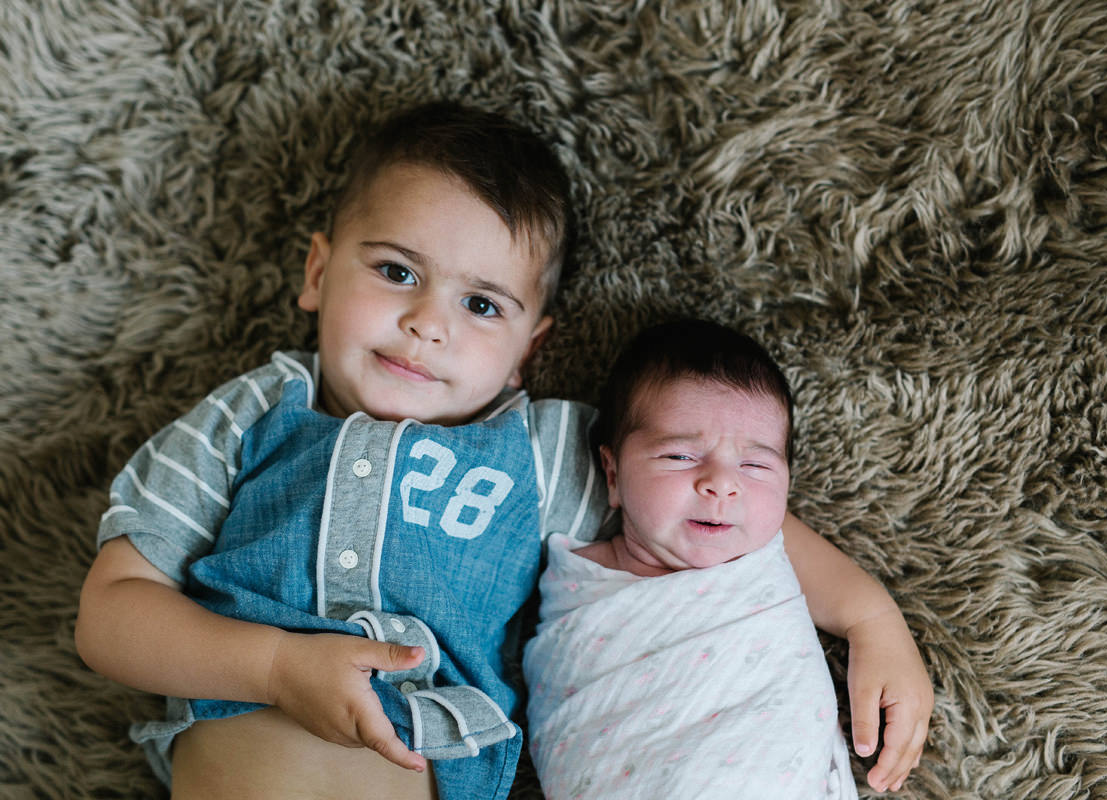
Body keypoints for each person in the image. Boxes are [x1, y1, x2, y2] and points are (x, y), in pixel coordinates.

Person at [75, 103, 929, 800]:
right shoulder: (254, 412)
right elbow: (111, 617)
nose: (429, 323)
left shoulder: (545, 448)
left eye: (482, 305)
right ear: (317, 272)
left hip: (420, 761)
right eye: (398, 273)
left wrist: (867, 615)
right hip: (246, 739)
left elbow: (716, 511)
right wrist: (272, 664)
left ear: (530, 347)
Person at [523, 319, 923, 798]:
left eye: (755, 465)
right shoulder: (574, 566)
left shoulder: (763, 541)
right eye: (680, 457)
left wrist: (883, 632)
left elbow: (860, 605)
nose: (721, 483)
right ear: (612, 474)